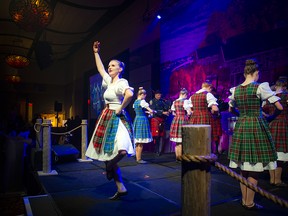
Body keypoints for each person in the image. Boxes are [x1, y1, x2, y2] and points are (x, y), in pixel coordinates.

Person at [228, 59, 283, 210]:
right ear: (256, 73)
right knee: (254, 166)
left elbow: (231, 109)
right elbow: (279, 106)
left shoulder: (236, 89)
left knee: (244, 166)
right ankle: (249, 203)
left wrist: (242, 114)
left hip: (242, 126)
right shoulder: (260, 87)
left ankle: (245, 200)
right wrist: (269, 117)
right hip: (255, 126)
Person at [85, 41, 135, 200]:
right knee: (109, 152)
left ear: (120, 69)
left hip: (117, 117)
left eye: (113, 65)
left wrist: (120, 107)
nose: (109, 67)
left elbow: (129, 95)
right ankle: (120, 187)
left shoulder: (122, 82)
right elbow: (100, 68)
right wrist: (96, 52)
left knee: (121, 150)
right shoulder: (108, 81)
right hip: (106, 116)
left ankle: (109, 165)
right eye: (109, 65)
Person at [263, 78, 288, 187]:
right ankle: (277, 180)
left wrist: (269, 117)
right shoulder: (286, 96)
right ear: (285, 86)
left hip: (272, 124)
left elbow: (262, 109)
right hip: (283, 124)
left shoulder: (270, 98)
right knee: (280, 154)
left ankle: (272, 179)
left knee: (272, 153)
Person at [188, 82, 219, 152]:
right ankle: (206, 158)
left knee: (196, 138)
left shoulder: (192, 96)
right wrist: (215, 111)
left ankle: (197, 158)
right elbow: (215, 108)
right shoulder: (208, 94)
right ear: (209, 87)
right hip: (204, 117)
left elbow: (190, 110)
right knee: (206, 138)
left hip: (194, 118)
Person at [133, 87, 154, 164]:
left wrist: (146, 112)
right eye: (144, 95)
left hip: (137, 119)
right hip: (142, 120)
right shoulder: (142, 102)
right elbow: (150, 110)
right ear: (142, 94)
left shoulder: (135, 102)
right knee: (140, 141)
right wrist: (152, 112)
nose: (145, 96)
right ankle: (139, 158)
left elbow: (140, 110)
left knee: (138, 140)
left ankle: (138, 157)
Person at [169, 88, 192, 160]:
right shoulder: (186, 101)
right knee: (182, 140)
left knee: (177, 142)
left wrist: (177, 115)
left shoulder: (175, 102)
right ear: (184, 94)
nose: (186, 96)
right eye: (186, 95)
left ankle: (178, 157)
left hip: (176, 120)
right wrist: (188, 115)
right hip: (183, 120)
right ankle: (182, 157)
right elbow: (189, 112)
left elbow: (173, 112)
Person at [149, 90, 170, 156]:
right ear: (155, 95)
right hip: (155, 119)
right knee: (156, 136)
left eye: (160, 95)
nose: (159, 96)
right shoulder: (152, 101)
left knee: (161, 135)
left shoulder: (163, 101)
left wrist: (168, 110)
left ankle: (160, 150)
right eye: (158, 95)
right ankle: (156, 150)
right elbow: (153, 110)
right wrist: (162, 112)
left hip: (162, 120)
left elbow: (165, 108)